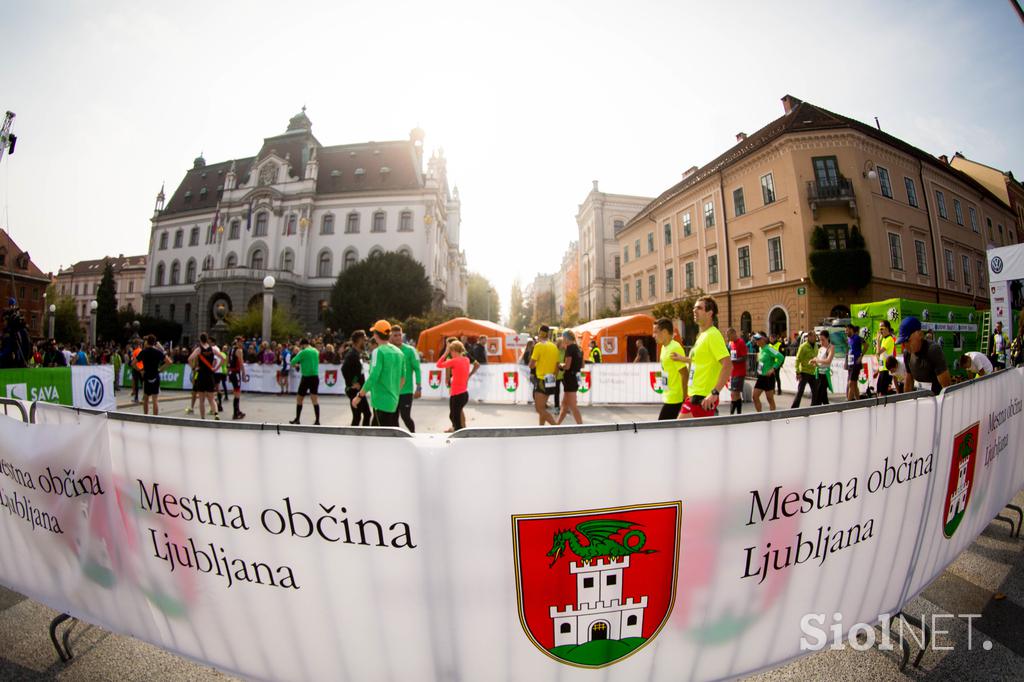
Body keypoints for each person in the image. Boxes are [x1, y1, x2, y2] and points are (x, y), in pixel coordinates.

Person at [676, 296, 730, 419]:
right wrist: (682, 358)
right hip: (694, 394)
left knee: (678, 430)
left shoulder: (713, 335)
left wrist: (714, 393)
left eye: (699, 308)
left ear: (710, 313)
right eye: (694, 308)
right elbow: (698, 361)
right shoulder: (701, 336)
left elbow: (727, 365)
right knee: (698, 436)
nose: (694, 311)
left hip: (702, 397)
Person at [353, 320, 406, 427]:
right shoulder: (399, 352)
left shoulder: (378, 351)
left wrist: (359, 396)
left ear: (376, 335)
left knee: (378, 438)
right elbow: (403, 378)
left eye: (374, 333)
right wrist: (394, 393)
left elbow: (373, 377)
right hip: (393, 401)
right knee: (386, 436)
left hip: (381, 402)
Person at [898, 316, 951, 395]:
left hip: (936, 401)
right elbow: (909, 380)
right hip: (920, 401)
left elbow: (946, 386)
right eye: (902, 342)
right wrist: (906, 402)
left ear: (920, 334)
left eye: (908, 341)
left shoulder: (933, 350)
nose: (905, 346)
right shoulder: (907, 353)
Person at [436, 339, 478, 432]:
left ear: (453, 350)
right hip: (462, 394)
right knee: (454, 416)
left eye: (451, 351)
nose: (450, 353)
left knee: (455, 418)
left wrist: (446, 352)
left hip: (458, 395)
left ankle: (459, 436)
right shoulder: (466, 360)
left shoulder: (454, 361)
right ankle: (457, 430)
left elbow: (438, 365)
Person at [654, 318, 688, 420]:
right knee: (670, 432)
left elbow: (684, 374)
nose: (653, 335)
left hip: (676, 399)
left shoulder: (674, 348)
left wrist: (684, 399)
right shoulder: (664, 348)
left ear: (664, 332)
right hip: (668, 396)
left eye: (655, 332)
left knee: (661, 429)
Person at [390, 324, 422, 432]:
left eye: (400, 335)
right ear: (390, 337)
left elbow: (417, 369)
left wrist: (418, 387)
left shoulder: (410, 350)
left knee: (405, 417)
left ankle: (414, 435)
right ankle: (397, 441)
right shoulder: (388, 351)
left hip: (406, 391)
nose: (398, 337)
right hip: (392, 391)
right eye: (395, 335)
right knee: (393, 419)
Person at [529, 325, 560, 426]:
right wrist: (553, 377)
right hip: (551, 379)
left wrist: (537, 364)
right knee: (542, 408)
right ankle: (541, 429)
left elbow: (531, 365)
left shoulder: (538, 345)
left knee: (539, 409)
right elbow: (557, 366)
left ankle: (555, 427)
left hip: (542, 379)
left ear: (540, 333)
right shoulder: (554, 346)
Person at [187, 333, 220, 420]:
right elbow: (223, 358)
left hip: (201, 374)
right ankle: (216, 414)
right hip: (210, 374)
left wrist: (194, 368)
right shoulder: (212, 349)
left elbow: (189, 359)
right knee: (212, 398)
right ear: (207, 340)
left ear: (200, 340)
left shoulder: (198, 349)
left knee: (201, 399)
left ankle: (203, 418)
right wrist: (216, 368)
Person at [289, 338, 321, 425]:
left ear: (303, 345)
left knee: (299, 399)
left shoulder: (303, 352)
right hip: (315, 377)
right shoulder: (315, 351)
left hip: (306, 377)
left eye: (301, 346)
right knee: (314, 399)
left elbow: (292, 362)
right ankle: (317, 420)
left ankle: (297, 419)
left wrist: (297, 365)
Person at [343, 330, 372, 426]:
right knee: (364, 415)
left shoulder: (357, 353)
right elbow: (344, 369)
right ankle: (359, 438)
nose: (366, 342)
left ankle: (359, 438)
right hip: (354, 391)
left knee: (360, 416)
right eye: (364, 339)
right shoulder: (352, 354)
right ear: (359, 340)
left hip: (358, 390)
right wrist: (352, 383)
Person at [137, 335, 171, 416]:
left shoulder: (144, 352)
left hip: (146, 376)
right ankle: (155, 418)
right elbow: (169, 362)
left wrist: (141, 370)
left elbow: (133, 363)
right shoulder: (158, 352)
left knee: (146, 399)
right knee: (155, 399)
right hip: (155, 375)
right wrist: (161, 369)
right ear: (154, 343)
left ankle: (146, 416)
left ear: (147, 342)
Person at [556, 330, 583, 425]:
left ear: (566, 338)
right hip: (574, 377)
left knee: (572, 406)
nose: (563, 340)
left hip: (570, 379)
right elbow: (582, 365)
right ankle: (556, 425)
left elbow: (567, 366)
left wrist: (560, 365)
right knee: (564, 405)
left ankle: (581, 427)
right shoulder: (578, 348)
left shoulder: (570, 348)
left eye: (563, 338)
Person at [752, 332, 784, 412]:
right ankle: (760, 416)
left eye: (758, 339)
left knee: (770, 399)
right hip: (761, 377)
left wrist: (773, 368)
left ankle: (772, 418)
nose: (756, 341)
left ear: (763, 339)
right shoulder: (760, 348)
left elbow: (781, 357)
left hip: (768, 377)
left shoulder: (769, 348)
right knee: (755, 396)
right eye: (756, 339)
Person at [790, 332, 818, 408]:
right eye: (812, 337)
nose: (814, 338)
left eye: (815, 336)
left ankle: (814, 407)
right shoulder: (803, 346)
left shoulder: (816, 346)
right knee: (800, 391)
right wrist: (797, 372)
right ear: (808, 337)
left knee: (815, 391)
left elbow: (816, 357)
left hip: (813, 372)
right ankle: (794, 408)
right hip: (804, 372)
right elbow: (798, 359)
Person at [725, 327, 747, 414]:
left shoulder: (741, 342)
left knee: (734, 394)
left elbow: (744, 357)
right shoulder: (731, 343)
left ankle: (732, 414)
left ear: (734, 334)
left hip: (739, 372)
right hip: (733, 372)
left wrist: (733, 360)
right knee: (735, 394)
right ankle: (738, 414)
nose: (727, 338)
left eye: (728, 336)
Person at [811, 330, 834, 405]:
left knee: (818, 396)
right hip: (818, 374)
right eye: (820, 340)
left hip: (825, 375)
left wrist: (817, 360)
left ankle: (815, 411)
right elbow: (819, 361)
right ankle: (828, 411)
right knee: (823, 397)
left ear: (828, 338)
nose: (821, 342)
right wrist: (814, 362)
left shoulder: (831, 347)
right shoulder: (820, 348)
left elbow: (828, 361)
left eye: (823, 340)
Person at [875, 320, 896, 396]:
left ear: (887, 328)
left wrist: (877, 340)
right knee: (879, 392)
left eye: (882, 329)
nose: (880, 331)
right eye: (879, 329)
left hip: (886, 370)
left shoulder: (889, 339)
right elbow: (879, 356)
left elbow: (878, 352)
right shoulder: (884, 339)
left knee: (883, 393)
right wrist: (878, 370)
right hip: (882, 369)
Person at [228, 336, 246, 420]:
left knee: (236, 391)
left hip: (232, 372)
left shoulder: (231, 349)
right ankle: (235, 413)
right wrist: (244, 374)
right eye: (241, 342)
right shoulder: (239, 350)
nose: (242, 343)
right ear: (237, 342)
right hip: (236, 372)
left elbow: (228, 361)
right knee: (237, 393)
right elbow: (241, 363)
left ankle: (237, 410)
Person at [845, 323, 864, 401]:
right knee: (854, 384)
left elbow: (866, 345)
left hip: (856, 364)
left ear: (851, 330)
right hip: (850, 363)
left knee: (851, 383)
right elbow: (849, 350)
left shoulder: (857, 338)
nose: (845, 332)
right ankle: (858, 400)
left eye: (846, 330)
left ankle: (848, 402)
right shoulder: (849, 339)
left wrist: (861, 356)